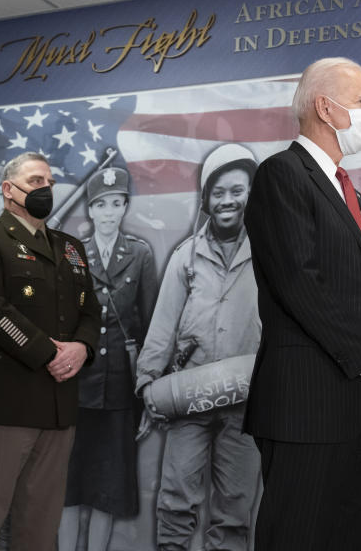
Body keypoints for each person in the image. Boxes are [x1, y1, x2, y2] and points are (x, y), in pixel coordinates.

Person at [242, 57, 361, 551]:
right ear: (325, 106)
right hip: (307, 407)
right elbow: (300, 283)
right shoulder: (282, 175)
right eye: (360, 101)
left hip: (359, 407)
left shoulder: (354, 196)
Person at [0, 151, 101, 551]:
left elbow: (90, 310)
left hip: (56, 409)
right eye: (36, 181)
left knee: (39, 530)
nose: (46, 189)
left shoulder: (70, 247)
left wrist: (82, 348)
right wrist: (50, 354)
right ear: (8, 190)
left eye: (50, 182)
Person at [134, 143, 262, 551]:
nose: (228, 200)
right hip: (189, 396)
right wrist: (148, 383)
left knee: (235, 508)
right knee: (175, 499)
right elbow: (163, 324)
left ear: (252, 194)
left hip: (248, 402)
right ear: (206, 199)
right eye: (219, 192)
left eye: (237, 190)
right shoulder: (185, 256)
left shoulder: (272, 253)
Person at [60, 166, 158, 551]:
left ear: (125, 207)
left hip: (119, 392)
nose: (109, 213)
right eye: (102, 205)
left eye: (117, 204)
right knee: (69, 484)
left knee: (108, 488)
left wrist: (148, 386)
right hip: (76, 389)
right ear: (90, 210)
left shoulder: (140, 254)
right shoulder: (73, 255)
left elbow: (150, 327)